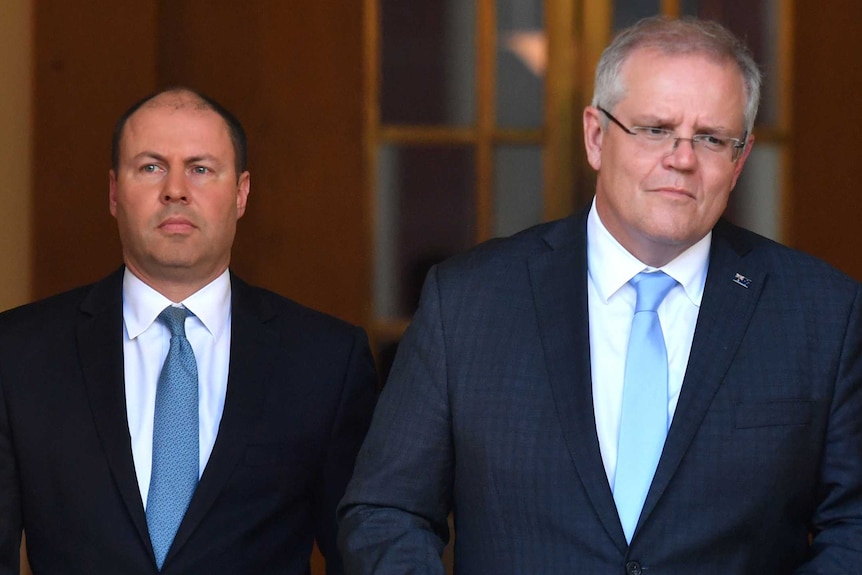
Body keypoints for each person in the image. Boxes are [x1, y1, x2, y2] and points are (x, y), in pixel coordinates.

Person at [337, 16, 862, 574]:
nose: (682, 159)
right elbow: (385, 511)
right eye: (656, 129)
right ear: (595, 136)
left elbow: (853, 525)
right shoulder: (468, 302)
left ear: (739, 161)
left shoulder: (822, 314)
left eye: (710, 138)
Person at [0, 87, 378, 574]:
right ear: (115, 192)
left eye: (200, 168)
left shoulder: (326, 360)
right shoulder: (19, 352)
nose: (175, 189)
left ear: (241, 193)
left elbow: (364, 551)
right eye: (151, 166)